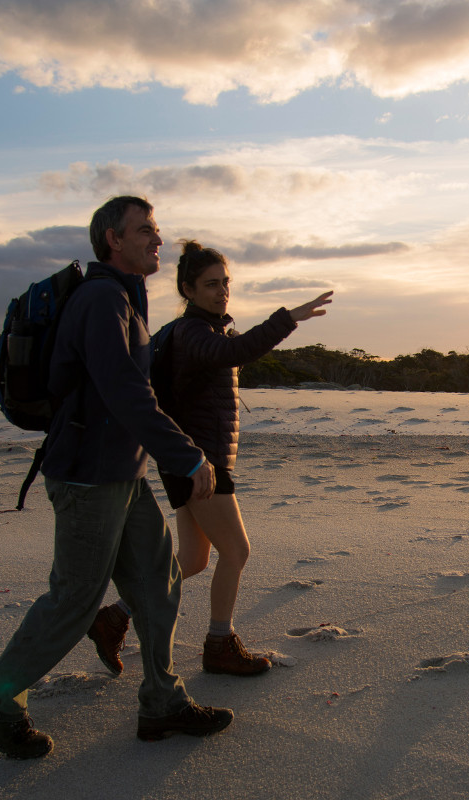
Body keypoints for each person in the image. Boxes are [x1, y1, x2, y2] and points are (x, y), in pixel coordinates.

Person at [0, 197, 233, 760]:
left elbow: (137, 392)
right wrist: (188, 457)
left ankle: (163, 701)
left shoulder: (125, 299)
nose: (157, 238)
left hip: (122, 474)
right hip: (88, 477)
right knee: (75, 600)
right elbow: (127, 394)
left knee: (159, 582)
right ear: (113, 239)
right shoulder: (102, 299)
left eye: (156, 229)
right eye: (145, 230)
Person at [89, 239, 332, 678]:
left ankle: (114, 617)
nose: (222, 292)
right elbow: (233, 354)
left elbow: (232, 350)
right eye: (210, 284)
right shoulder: (193, 333)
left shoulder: (208, 330)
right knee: (236, 551)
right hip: (198, 463)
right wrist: (287, 319)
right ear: (188, 288)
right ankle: (220, 643)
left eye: (225, 283)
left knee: (196, 559)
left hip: (191, 462)